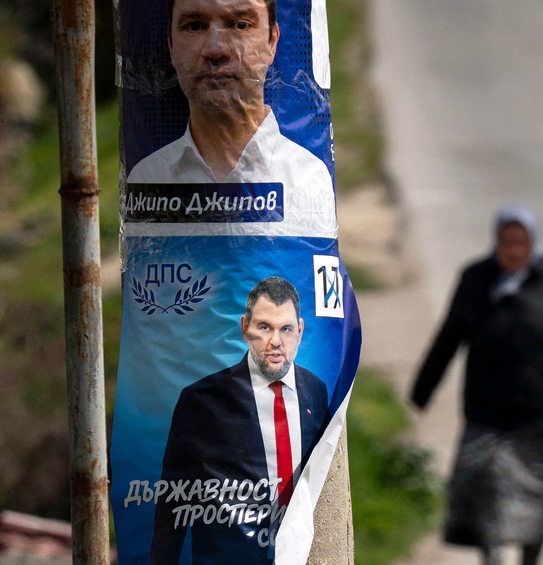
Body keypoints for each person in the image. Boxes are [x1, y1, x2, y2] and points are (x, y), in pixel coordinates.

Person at [409, 204, 543, 565]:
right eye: (507, 242)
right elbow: (450, 335)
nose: (514, 251)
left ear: (533, 243)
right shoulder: (476, 279)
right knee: (485, 487)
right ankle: (492, 557)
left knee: (535, 495)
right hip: (487, 410)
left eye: (522, 243)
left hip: (542, 414)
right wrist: (422, 390)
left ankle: (530, 559)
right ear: (496, 242)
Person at [151, 276, 330, 564]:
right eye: (264, 327)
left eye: (285, 329)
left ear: (300, 331)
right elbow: (172, 501)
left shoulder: (316, 391)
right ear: (245, 328)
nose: (275, 341)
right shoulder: (201, 400)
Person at [127, 0, 336, 238]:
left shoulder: (308, 178)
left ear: (272, 41)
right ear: (171, 47)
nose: (216, 50)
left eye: (240, 25)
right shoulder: (146, 179)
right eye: (195, 26)